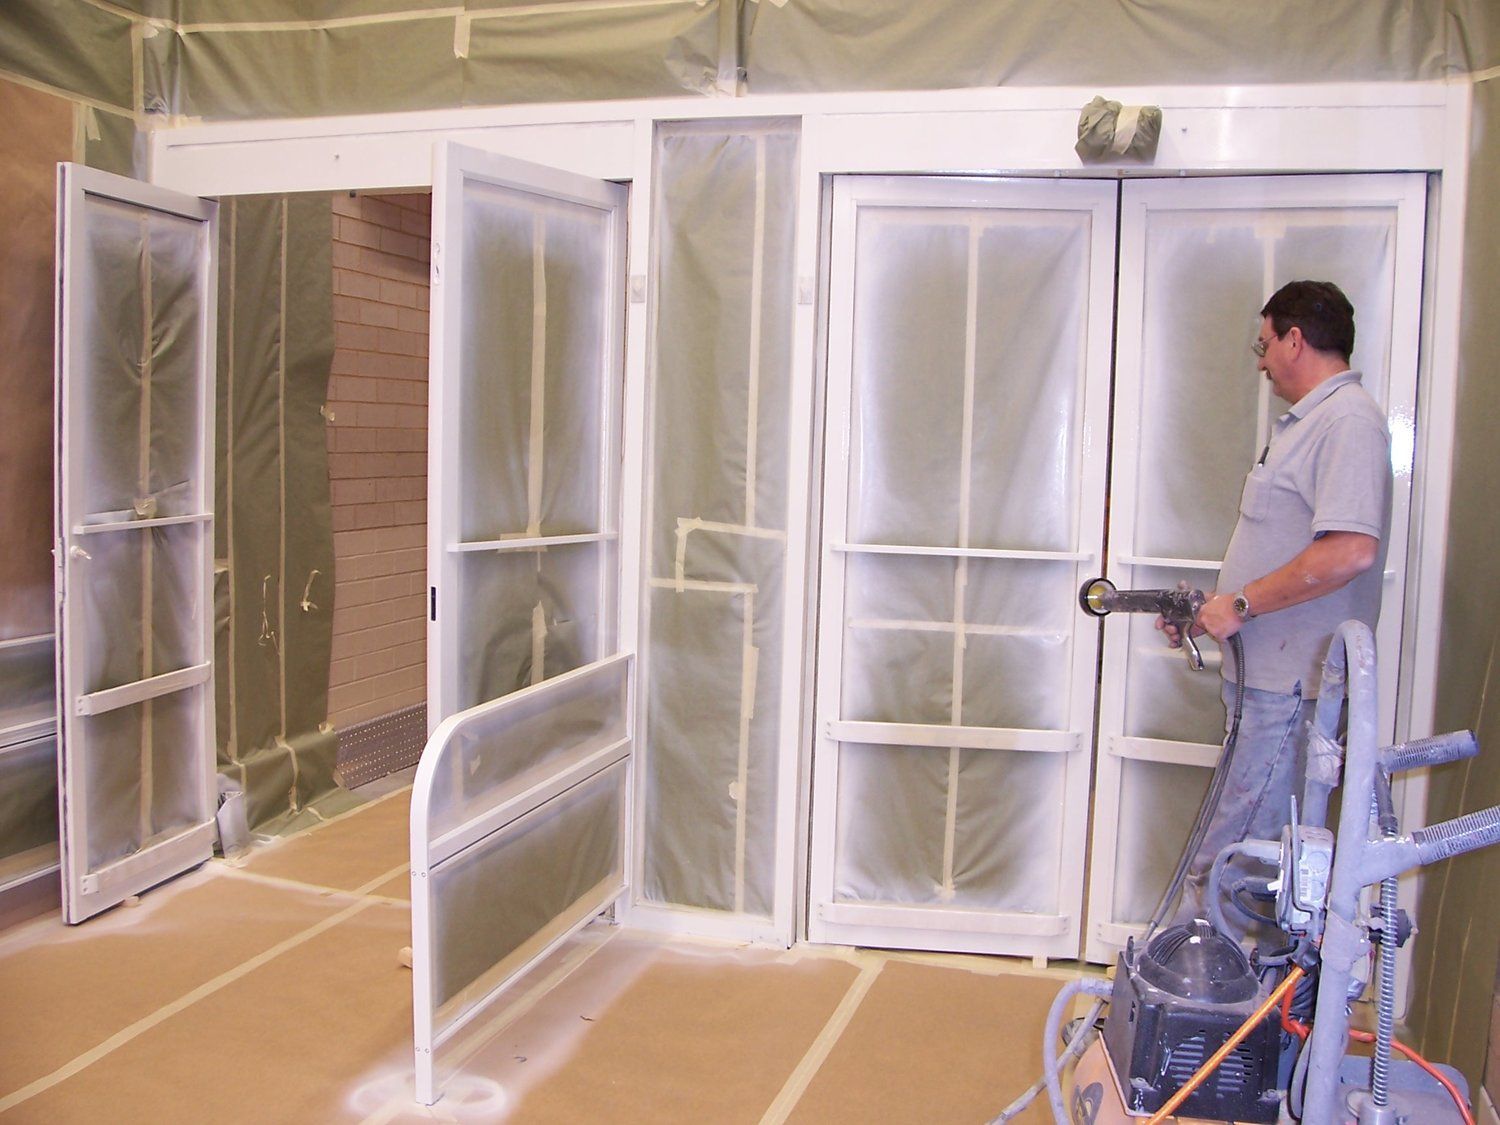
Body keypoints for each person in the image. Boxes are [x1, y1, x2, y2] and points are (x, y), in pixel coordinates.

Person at [1159, 280, 1393, 945]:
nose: (1260, 362)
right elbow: (1283, 544)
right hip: (1263, 683)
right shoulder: (1309, 424)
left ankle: (1197, 1014)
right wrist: (1207, 610)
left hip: (1288, 693)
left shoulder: (1347, 421)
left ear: (1296, 339)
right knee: (1240, 846)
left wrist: (1241, 602)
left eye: (1264, 345)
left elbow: (1349, 550)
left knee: (1236, 856)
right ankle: (1201, 1009)